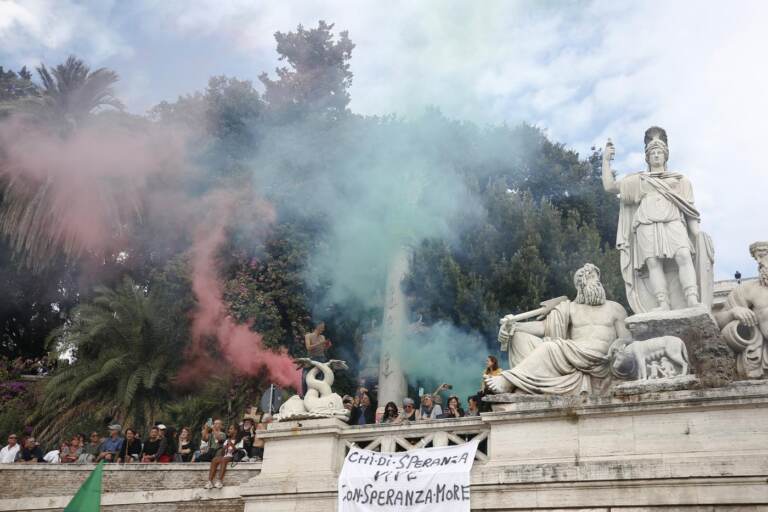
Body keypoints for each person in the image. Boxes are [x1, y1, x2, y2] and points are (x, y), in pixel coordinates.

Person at [602, 127, 712, 313]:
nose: (656, 155)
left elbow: (689, 211)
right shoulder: (639, 180)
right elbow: (610, 186)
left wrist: (697, 234)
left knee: (683, 255)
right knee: (653, 262)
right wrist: (605, 160)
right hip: (646, 222)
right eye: (652, 152)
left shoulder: (680, 180)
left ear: (665, 156)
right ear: (647, 157)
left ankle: (692, 299)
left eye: (659, 152)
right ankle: (663, 304)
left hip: (673, 220)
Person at [490, 263, 631, 395]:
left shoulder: (615, 308)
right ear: (580, 284)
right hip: (571, 356)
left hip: (599, 359)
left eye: (597, 277)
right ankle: (524, 384)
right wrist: (514, 326)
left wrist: (618, 347)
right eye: (591, 277)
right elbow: (544, 327)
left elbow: (627, 340)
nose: (597, 281)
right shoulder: (570, 308)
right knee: (520, 337)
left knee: (550, 347)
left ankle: (508, 380)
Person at [715, 241, 768, 379]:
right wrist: (734, 312)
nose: (760, 262)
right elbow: (717, 322)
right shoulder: (748, 290)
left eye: (763, 256)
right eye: (757, 258)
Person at [205, 424, 238, 489]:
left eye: (231, 429)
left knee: (223, 459)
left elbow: (238, 451)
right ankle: (210, 481)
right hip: (225, 456)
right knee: (214, 459)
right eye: (229, 429)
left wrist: (231, 444)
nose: (229, 430)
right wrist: (224, 448)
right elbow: (223, 453)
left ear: (236, 431)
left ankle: (220, 481)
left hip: (233, 457)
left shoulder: (239, 440)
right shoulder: (226, 440)